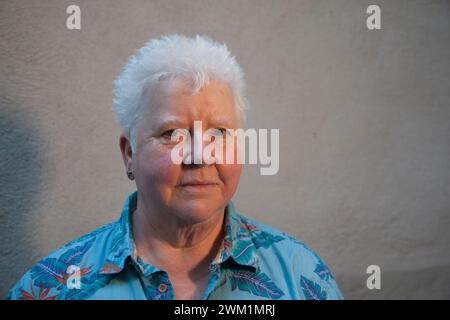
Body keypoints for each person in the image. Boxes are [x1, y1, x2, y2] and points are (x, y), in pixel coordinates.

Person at [7, 35, 343, 300]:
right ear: (129, 154)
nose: (200, 155)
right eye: (172, 134)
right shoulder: (52, 286)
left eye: (219, 133)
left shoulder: (303, 276)